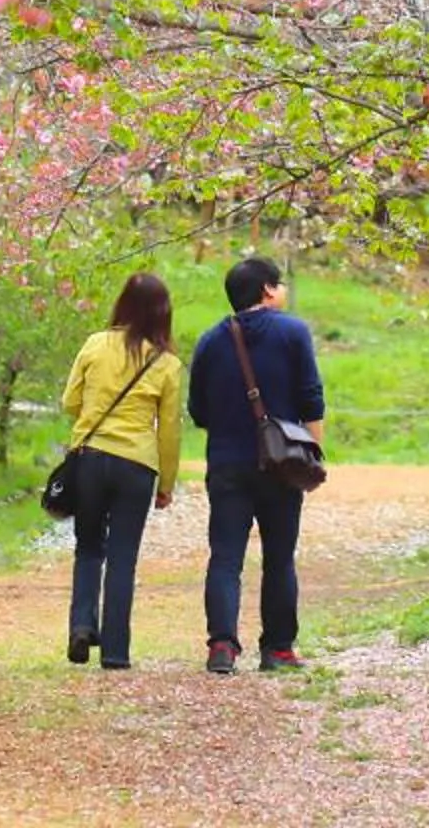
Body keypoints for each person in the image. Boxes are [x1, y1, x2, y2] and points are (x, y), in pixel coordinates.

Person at [186, 254, 326, 675]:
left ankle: (222, 647)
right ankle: (278, 650)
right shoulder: (294, 332)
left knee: (225, 556)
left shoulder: (211, 341)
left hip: (227, 464)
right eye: (279, 283)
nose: (282, 290)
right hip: (282, 465)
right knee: (279, 558)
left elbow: (198, 411)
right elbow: (311, 398)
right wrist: (313, 457)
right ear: (267, 289)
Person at [58, 270, 181, 670]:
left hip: (91, 457)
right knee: (123, 557)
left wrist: (93, 415)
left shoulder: (95, 344)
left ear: (123, 303)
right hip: (137, 465)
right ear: (163, 312)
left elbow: (69, 402)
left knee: (89, 545)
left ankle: (80, 624)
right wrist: (166, 482)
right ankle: (115, 651)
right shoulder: (166, 363)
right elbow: (170, 432)